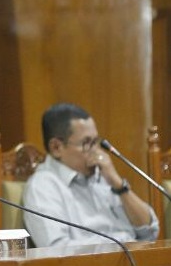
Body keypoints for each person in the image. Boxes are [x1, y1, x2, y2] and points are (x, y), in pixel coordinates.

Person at [23, 102, 159, 247]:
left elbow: (150, 231)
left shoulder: (102, 175)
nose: (96, 151)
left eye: (96, 142)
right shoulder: (42, 187)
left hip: (132, 260)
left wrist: (118, 184)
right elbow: (57, 249)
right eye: (87, 143)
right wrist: (120, 244)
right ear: (56, 147)